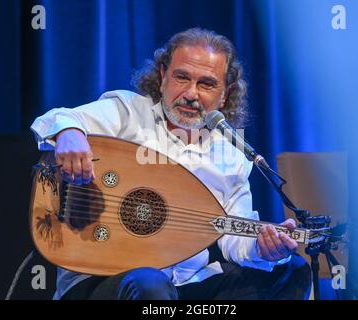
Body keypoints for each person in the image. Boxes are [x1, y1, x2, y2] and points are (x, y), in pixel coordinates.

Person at [31, 28, 311, 300]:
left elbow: (232, 237)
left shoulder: (231, 153)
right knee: (150, 284)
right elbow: (57, 118)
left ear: (225, 93)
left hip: (187, 282)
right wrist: (70, 134)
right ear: (163, 75)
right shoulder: (129, 112)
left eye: (206, 83)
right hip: (101, 278)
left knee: (292, 272)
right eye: (182, 77)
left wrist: (265, 248)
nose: (191, 93)